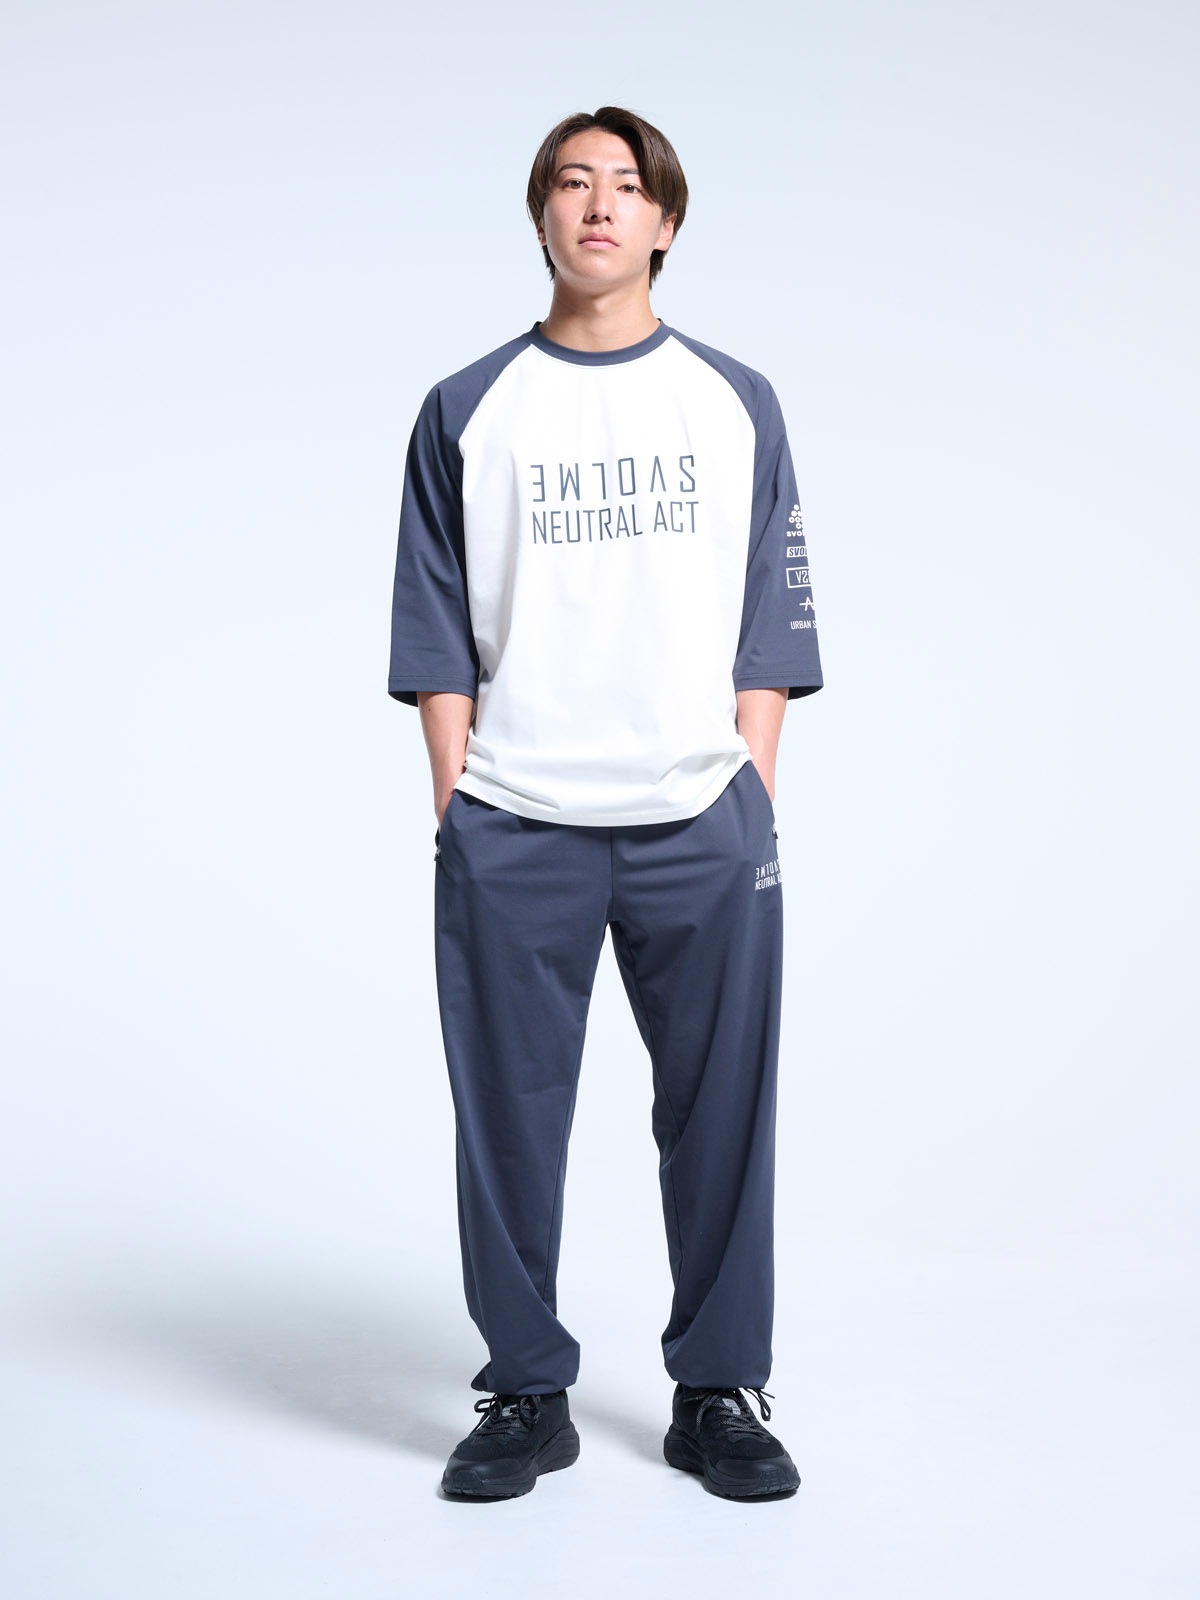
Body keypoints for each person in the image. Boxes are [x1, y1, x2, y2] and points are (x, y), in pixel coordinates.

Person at [388, 105, 823, 1501]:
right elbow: (434, 627)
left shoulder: (733, 399)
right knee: (506, 1121)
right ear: (540, 216)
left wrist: (750, 790)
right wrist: (459, 804)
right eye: (571, 183)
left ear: (665, 221)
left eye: (625, 186)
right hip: (515, 822)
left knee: (724, 1115)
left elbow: (770, 612)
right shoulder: (468, 407)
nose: (597, 205)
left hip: (701, 822)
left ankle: (719, 1391)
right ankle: (524, 1391)